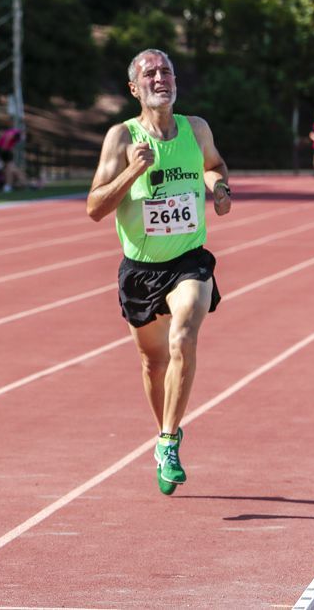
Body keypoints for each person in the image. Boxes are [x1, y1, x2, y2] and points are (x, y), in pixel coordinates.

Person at [85, 48, 231, 496]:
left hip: (189, 260)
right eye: (150, 73)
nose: (160, 77)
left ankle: (169, 440)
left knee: (184, 333)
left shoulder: (196, 128)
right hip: (140, 271)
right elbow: (94, 207)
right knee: (153, 361)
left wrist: (220, 186)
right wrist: (132, 170)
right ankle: (163, 433)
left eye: (166, 69)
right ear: (135, 88)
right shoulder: (121, 137)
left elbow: (214, 165)